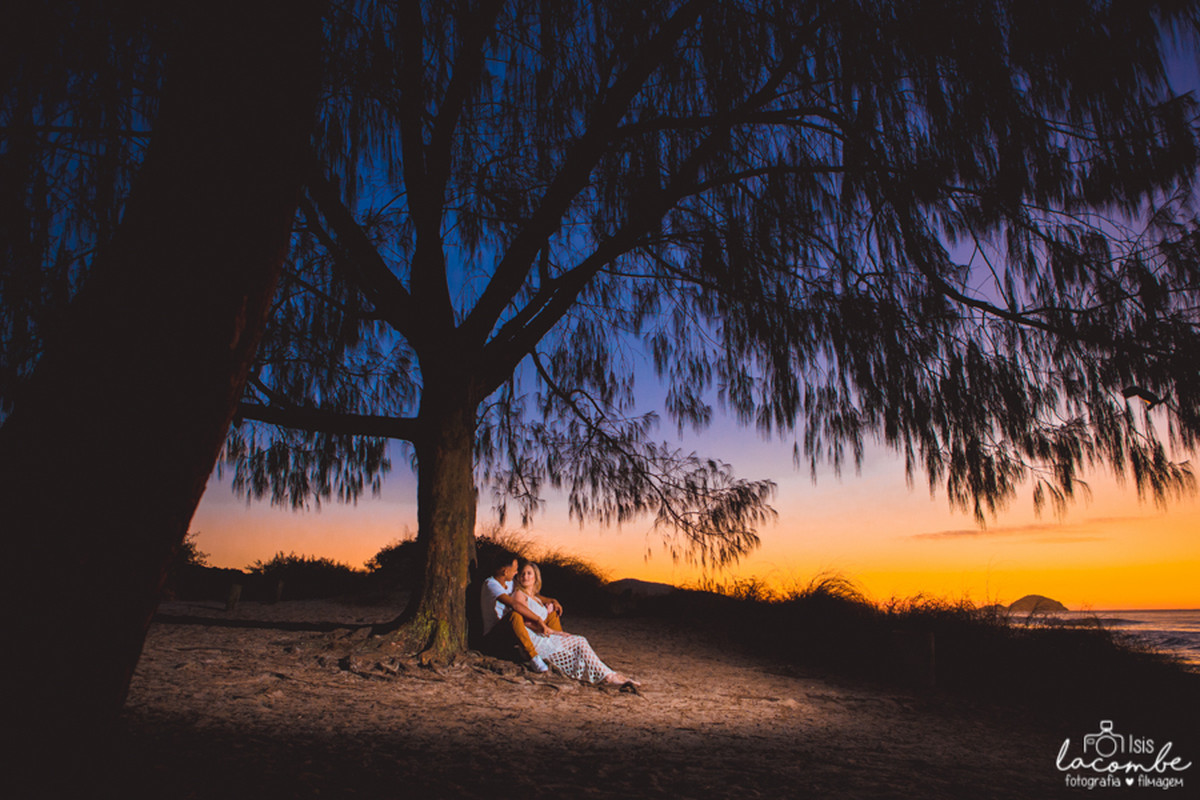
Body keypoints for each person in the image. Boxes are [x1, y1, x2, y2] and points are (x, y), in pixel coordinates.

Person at [512, 560, 639, 688]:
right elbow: (525, 621)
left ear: (535, 577)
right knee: (579, 641)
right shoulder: (519, 594)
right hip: (535, 640)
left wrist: (552, 609)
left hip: (544, 636)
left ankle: (608, 675)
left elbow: (544, 605)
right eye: (522, 574)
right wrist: (556, 632)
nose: (525, 576)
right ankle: (608, 676)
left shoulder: (537, 598)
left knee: (578, 645)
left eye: (529, 573)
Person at [479, 552, 558, 672]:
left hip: (512, 631)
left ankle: (560, 645)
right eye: (515, 570)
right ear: (505, 572)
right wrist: (538, 620)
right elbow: (515, 605)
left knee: (551, 613)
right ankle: (534, 658)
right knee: (515, 615)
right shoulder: (491, 585)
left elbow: (529, 594)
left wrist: (552, 600)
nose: (517, 573)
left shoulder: (509, 582)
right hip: (494, 637)